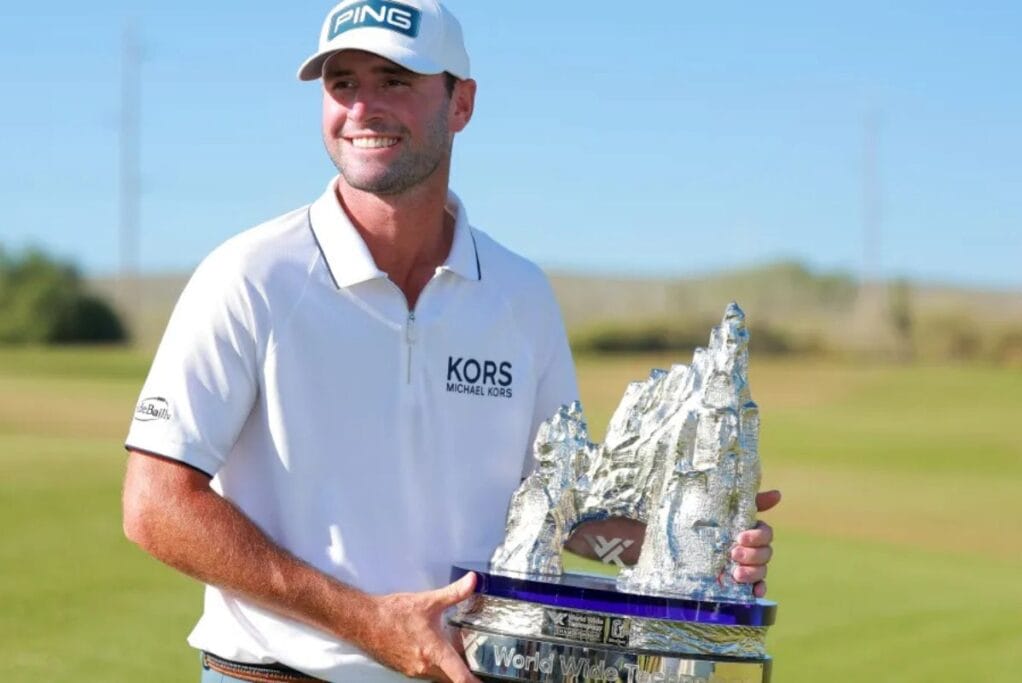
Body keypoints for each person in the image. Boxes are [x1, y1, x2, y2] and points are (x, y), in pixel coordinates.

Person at [121, 2, 779, 682]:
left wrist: (685, 534)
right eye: (341, 83)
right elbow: (155, 504)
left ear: (461, 103)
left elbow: (556, 507)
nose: (363, 107)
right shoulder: (251, 275)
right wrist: (366, 621)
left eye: (395, 80)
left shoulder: (519, 295)